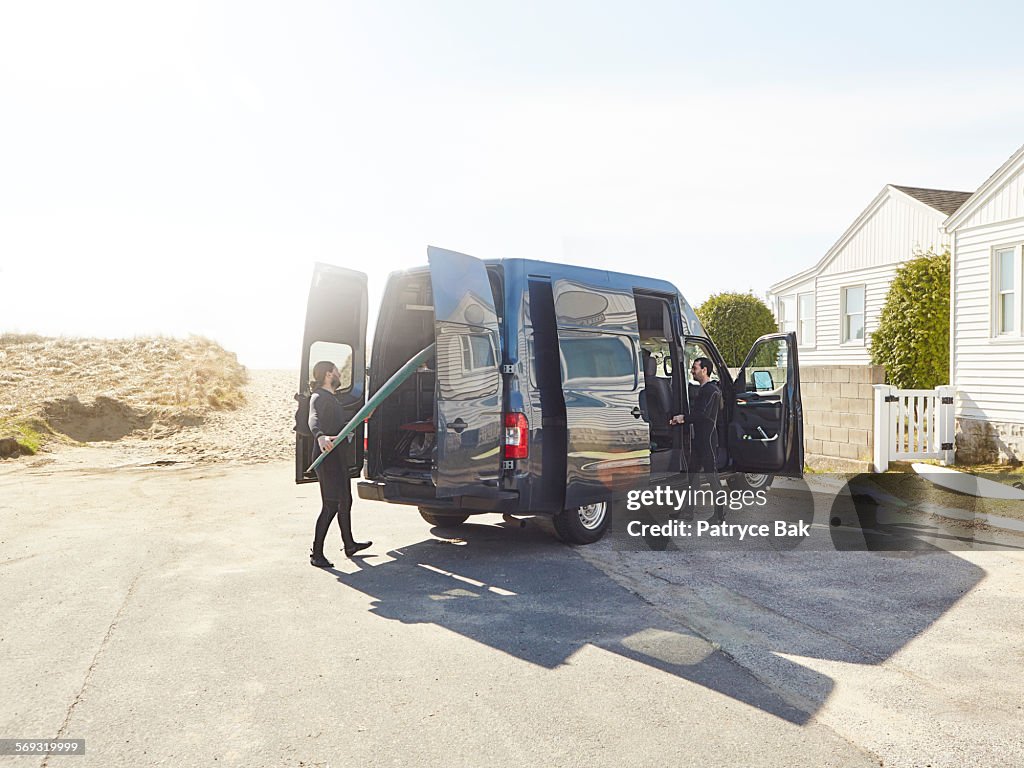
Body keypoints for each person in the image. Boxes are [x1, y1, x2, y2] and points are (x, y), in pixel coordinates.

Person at [308, 360, 371, 568]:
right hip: (326, 458)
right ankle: (316, 554)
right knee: (331, 504)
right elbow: (313, 419)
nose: (338, 374)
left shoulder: (333, 399)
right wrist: (320, 437)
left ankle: (349, 544)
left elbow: (339, 424)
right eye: (335, 371)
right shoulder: (319, 396)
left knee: (346, 500)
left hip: (338, 457)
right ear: (328, 374)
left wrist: (361, 418)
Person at [669, 357, 726, 522]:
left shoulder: (711, 390)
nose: (692, 371)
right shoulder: (706, 389)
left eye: (695, 368)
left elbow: (702, 415)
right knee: (692, 477)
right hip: (700, 440)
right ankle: (687, 511)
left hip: (707, 441)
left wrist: (682, 418)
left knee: (712, 477)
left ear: (704, 370)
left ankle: (719, 514)